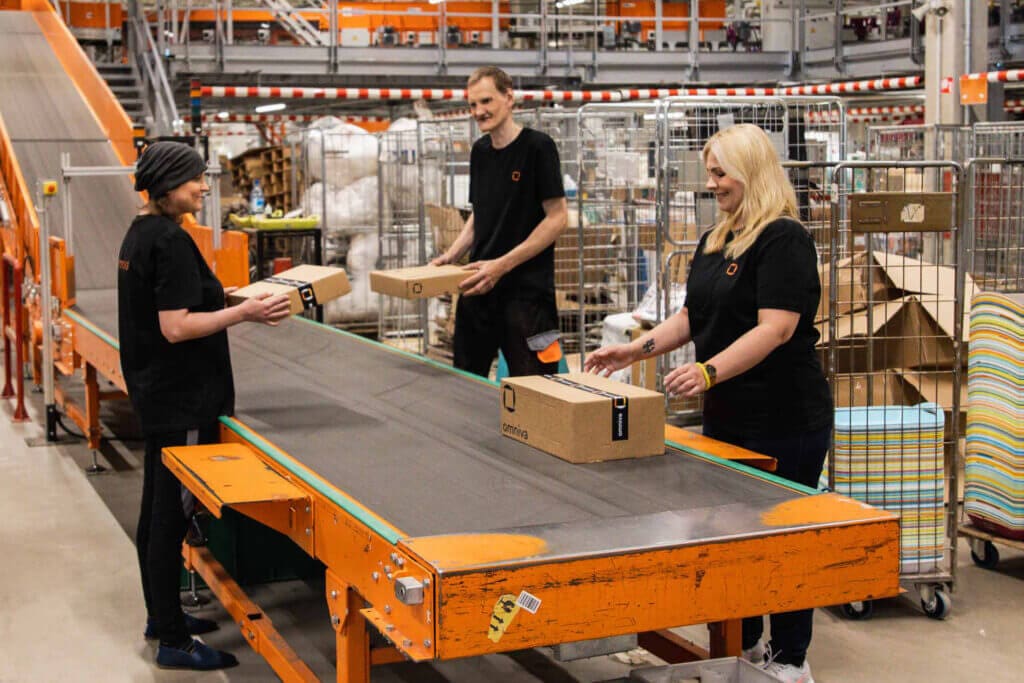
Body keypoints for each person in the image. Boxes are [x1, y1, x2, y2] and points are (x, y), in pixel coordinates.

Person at [584, 124, 832, 683]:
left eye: (721, 173)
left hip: (784, 417)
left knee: (781, 543)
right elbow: (694, 317)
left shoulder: (783, 238)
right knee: (732, 541)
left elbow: (777, 328)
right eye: (710, 173)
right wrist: (633, 350)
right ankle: (739, 648)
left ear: (751, 171)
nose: (712, 184)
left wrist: (708, 370)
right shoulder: (718, 238)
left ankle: (790, 658)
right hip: (730, 416)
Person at [119, 141, 292, 670]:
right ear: (169, 185)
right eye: (194, 179)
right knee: (171, 514)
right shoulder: (169, 240)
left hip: (157, 393)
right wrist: (246, 317)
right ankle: (171, 637)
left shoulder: (141, 232)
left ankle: (161, 614)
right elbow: (175, 326)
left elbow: (175, 303)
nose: (202, 186)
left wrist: (233, 296)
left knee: (156, 509)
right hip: (182, 397)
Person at [431, 65, 568, 378]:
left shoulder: (538, 148)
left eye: (486, 101)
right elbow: (481, 214)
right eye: (473, 105)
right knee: (465, 381)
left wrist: (502, 265)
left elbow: (557, 218)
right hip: (480, 287)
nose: (479, 111)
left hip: (528, 297)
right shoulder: (480, 152)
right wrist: (452, 255)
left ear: (509, 98)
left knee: (538, 389)